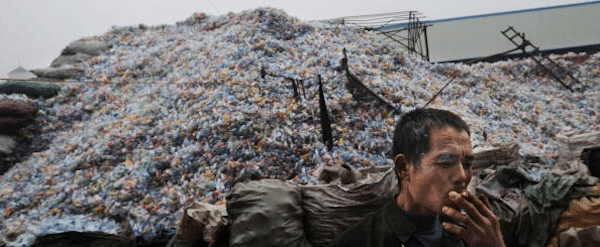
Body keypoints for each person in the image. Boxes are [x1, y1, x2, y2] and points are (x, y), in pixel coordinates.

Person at [329, 108, 505, 247]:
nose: (462, 176)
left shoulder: (472, 234)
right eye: (445, 163)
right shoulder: (362, 241)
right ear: (404, 167)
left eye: (467, 165)